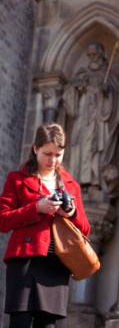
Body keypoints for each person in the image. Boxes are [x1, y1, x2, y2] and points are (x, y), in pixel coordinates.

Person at [0, 123, 91, 328]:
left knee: (48, 325)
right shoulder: (16, 179)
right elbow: (3, 220)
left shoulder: (71, 185)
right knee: (20, 322)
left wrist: (71, 212)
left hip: (56, 263)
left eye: (58, 154)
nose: (53, 160)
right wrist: (36, 208)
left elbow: (85, 228)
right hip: (24, 260)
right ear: (35, 149)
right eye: (47, 153)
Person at [63, 41, 119, 197]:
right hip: (83, 115)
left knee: (96, 147)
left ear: (101, 54)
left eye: (94, 54)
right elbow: (69, 94)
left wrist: (107, 92)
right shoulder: (82, 72)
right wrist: (76, 87)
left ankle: (95, 181)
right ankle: (78, 183)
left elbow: (116, 96)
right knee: (81, 146)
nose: (92, 57)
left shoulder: (107, 75)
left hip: (98, 117)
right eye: (89, 54)